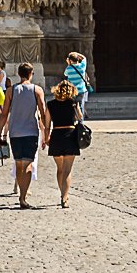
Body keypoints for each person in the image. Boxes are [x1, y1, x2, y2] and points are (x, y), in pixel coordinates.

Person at [0, 62, 50, 209]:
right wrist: (46, 133)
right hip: (31, 132)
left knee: (19, 164)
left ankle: (22, 195)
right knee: (27, 165)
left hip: (15, 133)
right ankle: (23, 197)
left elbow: (4, 114)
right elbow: (43, 113)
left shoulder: (11, 91)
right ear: (31, 74)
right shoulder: (37, 90)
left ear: (19, 74)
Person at [45, 79, 82, 207]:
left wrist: (46, 138)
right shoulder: (73, 103)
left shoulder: (50, 104)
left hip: (56, 135)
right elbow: (80, 117)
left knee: (60, 169)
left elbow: (47, 124)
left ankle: (62, 192)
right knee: (67, 170)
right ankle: (64, 197)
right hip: (70, 136)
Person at [63, 52, 91, 119]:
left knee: (72, 104)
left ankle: (73, 118)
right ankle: (81, 120)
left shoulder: (69, 68)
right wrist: (77, 54)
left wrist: (69, 64)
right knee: (81, 105)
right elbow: (84, 58)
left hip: (72, 90)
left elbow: (65, 74)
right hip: (81, 89)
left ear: (70, 60)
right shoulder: (82, 66)